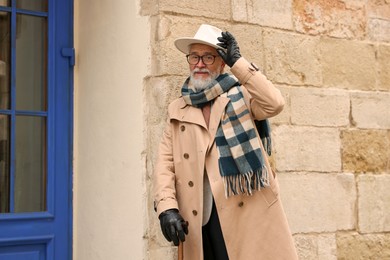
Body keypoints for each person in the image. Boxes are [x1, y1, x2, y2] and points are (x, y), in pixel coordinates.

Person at [153, 24, 298, 260]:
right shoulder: (177, 108)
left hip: (244, 212)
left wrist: (239, 63)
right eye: (194, 57)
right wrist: (167, 208)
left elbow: (274, 103)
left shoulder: (242, 96)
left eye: (208, 57)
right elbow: (165, 164)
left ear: (222, 63)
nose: (199, 64)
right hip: (199, 217)